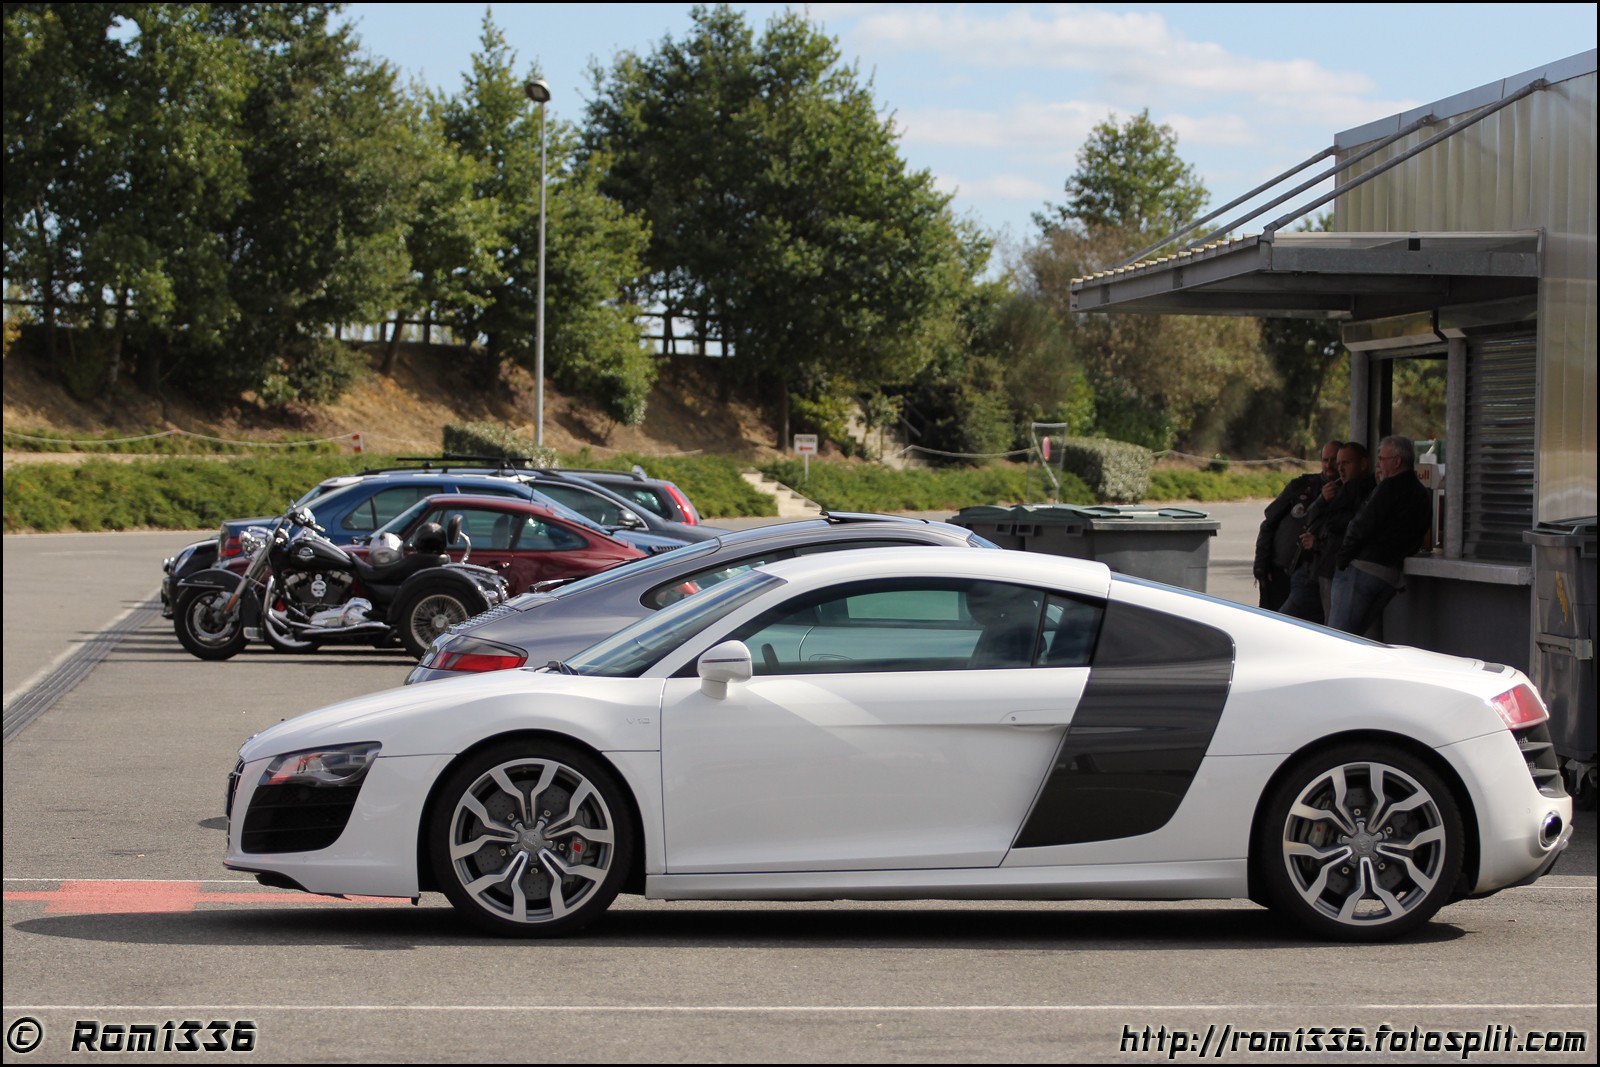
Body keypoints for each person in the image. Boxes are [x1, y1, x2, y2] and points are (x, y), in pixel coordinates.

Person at [1328, 435, 1432, 636]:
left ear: (1397, 461)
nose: (1379, 465)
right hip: (1390, 576)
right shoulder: (1422, 494)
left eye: (1382, 459)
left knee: (1339, 638)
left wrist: (1342, 559)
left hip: (1363, 568)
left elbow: (1360, 525)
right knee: (1358, 638)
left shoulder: (1389, 487)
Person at [1280, 442, 1375, 622]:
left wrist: (1318, 544)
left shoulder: (1364, 492)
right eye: (1336, 463)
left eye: (1345, 463)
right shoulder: (1337, 488)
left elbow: (1347, 530)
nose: (1338, 468)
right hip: (1318, 569)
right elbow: (1311, 519)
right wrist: (1322, 500)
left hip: (1338, 570)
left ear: (1363, 465)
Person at [1254, 441, 1341, 610]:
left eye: (1334, 460)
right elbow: (1269, 522)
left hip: (1311, 578)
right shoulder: (1301, 485)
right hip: (1278, 571)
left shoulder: (1346, 493)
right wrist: (1261, 566)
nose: (1328, 465)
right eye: (1325, 460)